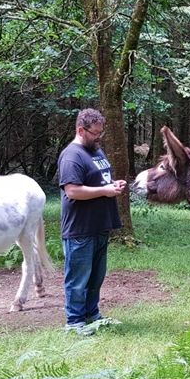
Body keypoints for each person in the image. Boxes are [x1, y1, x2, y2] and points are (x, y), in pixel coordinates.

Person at [57, 108, 126, 335]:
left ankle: (92, 315)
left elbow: (100, 181)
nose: (99, 137)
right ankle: (74, 323)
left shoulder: (95, 151)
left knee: (96, 276)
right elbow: (73, 191)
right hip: (80, 229)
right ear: (81, 130)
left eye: (101, 133)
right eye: (95, 133)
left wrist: (113, 185)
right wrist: (104, 191)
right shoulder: (72, 156)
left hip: (100, 226)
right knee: (78, 279)